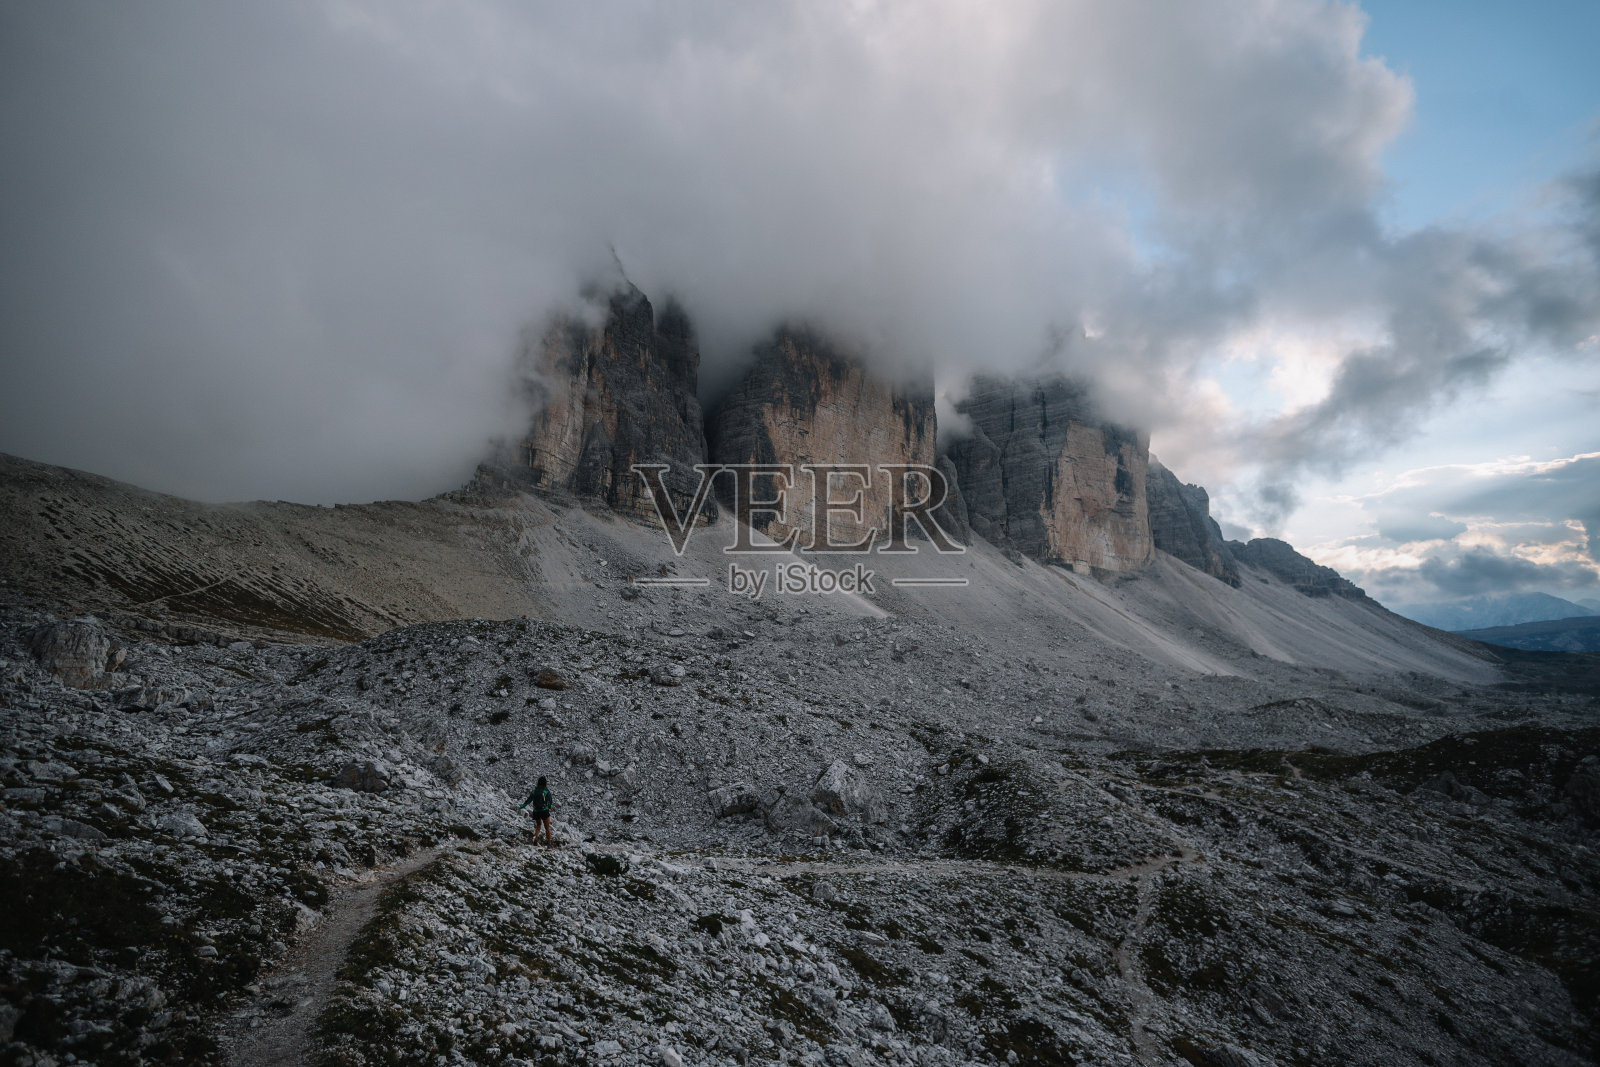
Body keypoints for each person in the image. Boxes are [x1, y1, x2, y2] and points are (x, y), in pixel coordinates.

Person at [518, 775, 555, 846]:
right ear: (545, 783)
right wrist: (551, 807)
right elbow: (549, 802)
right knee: (547, 827)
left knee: (538, 825)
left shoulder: (534, 791)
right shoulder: (546, 791)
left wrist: (523, 806)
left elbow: (528, 800)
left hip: (536, 811)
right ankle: (549, 844)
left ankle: (536, 838)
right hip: (544, 811)